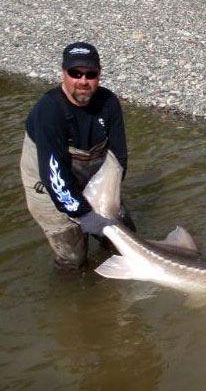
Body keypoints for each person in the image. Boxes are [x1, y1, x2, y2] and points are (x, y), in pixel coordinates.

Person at [20, 42, 133, 270]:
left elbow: (118, 158)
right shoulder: (49, 112)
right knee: (74, 258)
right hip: (49, 188)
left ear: (99, 74)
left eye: (90, 74)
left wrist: (108, 202)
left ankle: (111, 276)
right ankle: (72, 297)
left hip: (91, 182)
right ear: (64, 73)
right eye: (75, 73)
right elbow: (54, 177)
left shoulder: (109, 103)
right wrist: (84, 214)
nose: (83, 81)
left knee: (123, 240)